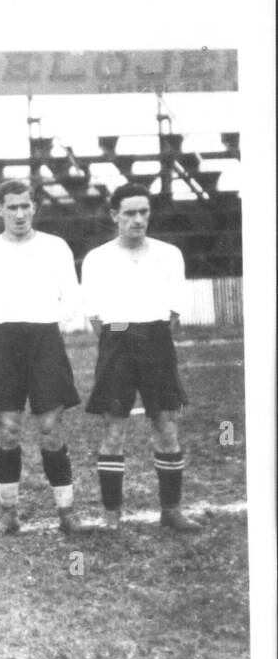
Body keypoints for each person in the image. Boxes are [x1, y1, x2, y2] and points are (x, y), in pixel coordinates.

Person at [0, 181, 94, 536]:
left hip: (45, 340)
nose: (20, 213)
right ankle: (8, 513)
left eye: (25, 206)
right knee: (7, 430)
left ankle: (67, 512)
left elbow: (71, 294)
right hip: (5, 341)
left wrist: (50, 322)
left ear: (34, 208)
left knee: (50, 428)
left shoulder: (54, 247)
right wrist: (3, 325)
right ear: (0, 210)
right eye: (12, 207)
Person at [82, 182, 200, 533]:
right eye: (130, 213)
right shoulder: (97, 258)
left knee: (166, 425)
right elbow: (96, 318)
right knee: (114, 428)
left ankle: (171, 510)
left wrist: (150, 333)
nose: (137, 220)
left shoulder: (169, 254)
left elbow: (173, 314)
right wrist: (124, 332)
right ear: (114, 215)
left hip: (157, 341)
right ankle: (112, 516)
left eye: (143, 212)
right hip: (117, 343)